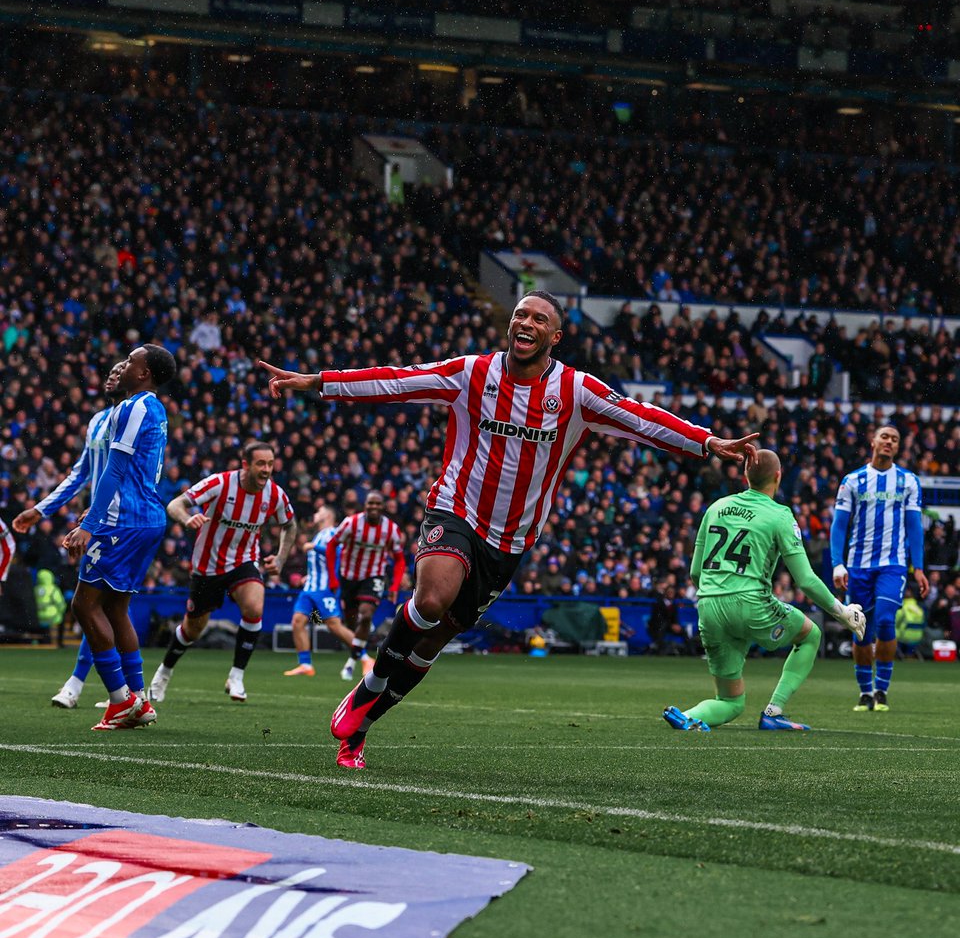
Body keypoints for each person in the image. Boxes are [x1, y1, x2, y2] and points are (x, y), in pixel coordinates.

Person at [261, 289, 760, 769]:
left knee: (434, 642)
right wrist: (314, 381)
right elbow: (395, 380)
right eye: (521, 314)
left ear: (555, 336)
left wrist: (706, 442)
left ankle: (362, 730)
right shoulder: (472, 372)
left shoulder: (575, 391)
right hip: (456, 509)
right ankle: (366, 690)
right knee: (431, 601)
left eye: (539, 319)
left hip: (512, 539)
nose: (525, 323)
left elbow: (639, 417)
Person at [663, 449, 867, 733]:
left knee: (731, 701)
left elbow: (696, 572)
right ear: (778, 476)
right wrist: (842, 611)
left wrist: (721, 595)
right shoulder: (780, 515)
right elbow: (805, 580)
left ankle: (686, 716)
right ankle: (774, 711)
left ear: (745, 475)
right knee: (811, 635)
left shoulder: (716, 508)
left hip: (708, 606)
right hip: (751, 603)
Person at [62, 345, 178, 730]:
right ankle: (140, 700)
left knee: (84, 604)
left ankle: (119, 699)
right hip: (146, 518)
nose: (124, 365)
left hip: (122, 522)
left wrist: (92, 524)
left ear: (144, 373)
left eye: (131, 361)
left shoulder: (133, 408)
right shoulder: (155, 409)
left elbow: (114, 469)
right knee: (115, 608)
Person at [12, 362, 126, 709]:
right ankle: (120, 692)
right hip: (102, 521)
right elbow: (81, 475)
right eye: (110, 370)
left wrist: (97, 517)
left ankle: (106, 690)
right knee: (102, 605)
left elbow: (130, 474)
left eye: (121, 370)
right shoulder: (97, 421)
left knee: (94, 604)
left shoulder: (138, 416)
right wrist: (41, 509)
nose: (111, 374)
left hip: (124, 522)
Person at [148, 440, 296, 704]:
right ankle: (164, 671)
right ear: (245, 465)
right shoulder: (220, 483)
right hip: (207, 566)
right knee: (193, 629)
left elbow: (290, 524)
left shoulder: (274, 494)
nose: (266, 470)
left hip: (244, 561)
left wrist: (281, 559)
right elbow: (174, 505)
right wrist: (187, 518)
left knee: (254, 607)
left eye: (270, 464)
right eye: (261, 463)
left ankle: (237, 675)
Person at [830, 423, 928, 711]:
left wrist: (918, 567)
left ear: (898, 447)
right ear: (873, 441)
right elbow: (839, 525)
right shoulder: (853, 480)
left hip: (892, 565)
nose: (889, 442)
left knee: (886, 620)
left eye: (894, 439)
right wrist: (838, 564)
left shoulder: (908, 481)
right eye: (884, 436)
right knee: (861, 629)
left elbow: (914, 527)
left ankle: (881, 690)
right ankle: (865, 692)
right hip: (858, 566)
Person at [325, 490, 406, 681]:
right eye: (371, 504)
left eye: (378, 504)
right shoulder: (351, 523)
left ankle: (352, 662)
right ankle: (355, 657)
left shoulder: (391, 529)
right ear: (365, 505)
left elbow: (400, 559)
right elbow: (331, 545)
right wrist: (333, 579)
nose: (374, 507)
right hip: (349, 577)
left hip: (374, 576)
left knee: (366, 614)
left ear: (383, 506)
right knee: (351, 622)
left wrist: (394, 586)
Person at [283, 504, 355, 677]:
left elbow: (339, 554)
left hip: (324, 589)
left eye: (319, 511)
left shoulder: (333, 533)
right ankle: (305, 664)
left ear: (327, 516)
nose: (315, 514)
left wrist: (314, 548)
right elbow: (323, 563)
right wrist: (309, 576)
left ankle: (366, 656)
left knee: (334, 626)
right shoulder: (318, 535)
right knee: (298, 621)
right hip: (310, 588)